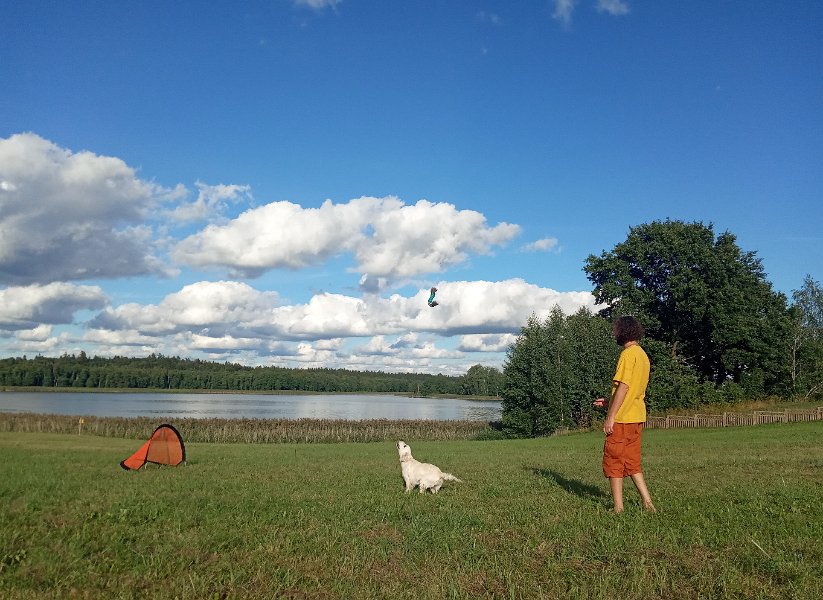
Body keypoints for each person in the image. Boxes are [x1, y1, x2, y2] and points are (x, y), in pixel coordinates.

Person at [600, 315, 656, 514]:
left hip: (623, 419)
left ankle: (618, 508)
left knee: (614, 461)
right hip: (637, 417)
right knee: (632, 462)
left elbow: (623, 387)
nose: (613, 334)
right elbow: (633, 390)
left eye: (615, 330)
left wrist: (610, 416)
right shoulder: (642, 355)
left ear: (622, 332)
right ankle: (648, 503)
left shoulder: (627, 354)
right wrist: (608, 402)